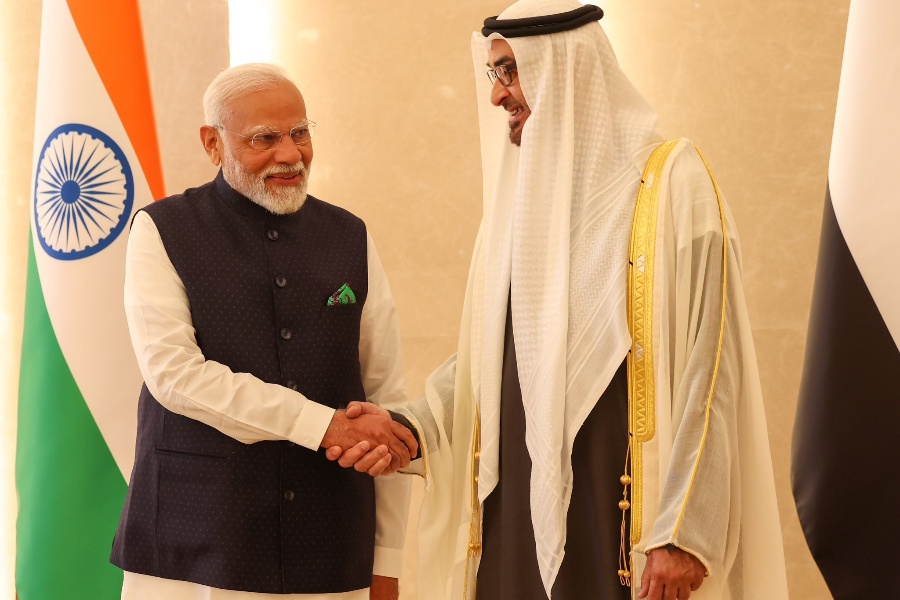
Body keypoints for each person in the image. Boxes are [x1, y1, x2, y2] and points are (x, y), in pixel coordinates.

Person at [332, 1, 789, 598]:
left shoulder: (673, 183)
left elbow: (713, 365)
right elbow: (496, 355)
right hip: (515, 505)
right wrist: (411, 424)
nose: (497, 95)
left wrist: (685, 530)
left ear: (567, 68)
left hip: (624, 510)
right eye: (494, 73)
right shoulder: (516, 209)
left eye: (510, 71)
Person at [109, 63, 418, 600]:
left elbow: (383, 396)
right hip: (194, 543)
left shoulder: (349, 234)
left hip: (332, 541)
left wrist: (387, 558)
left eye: (300, 133)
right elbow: (175, 375)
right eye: (264, 139)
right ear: (213, 143)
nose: (290, 154)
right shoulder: (161, 230)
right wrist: (321, 424)